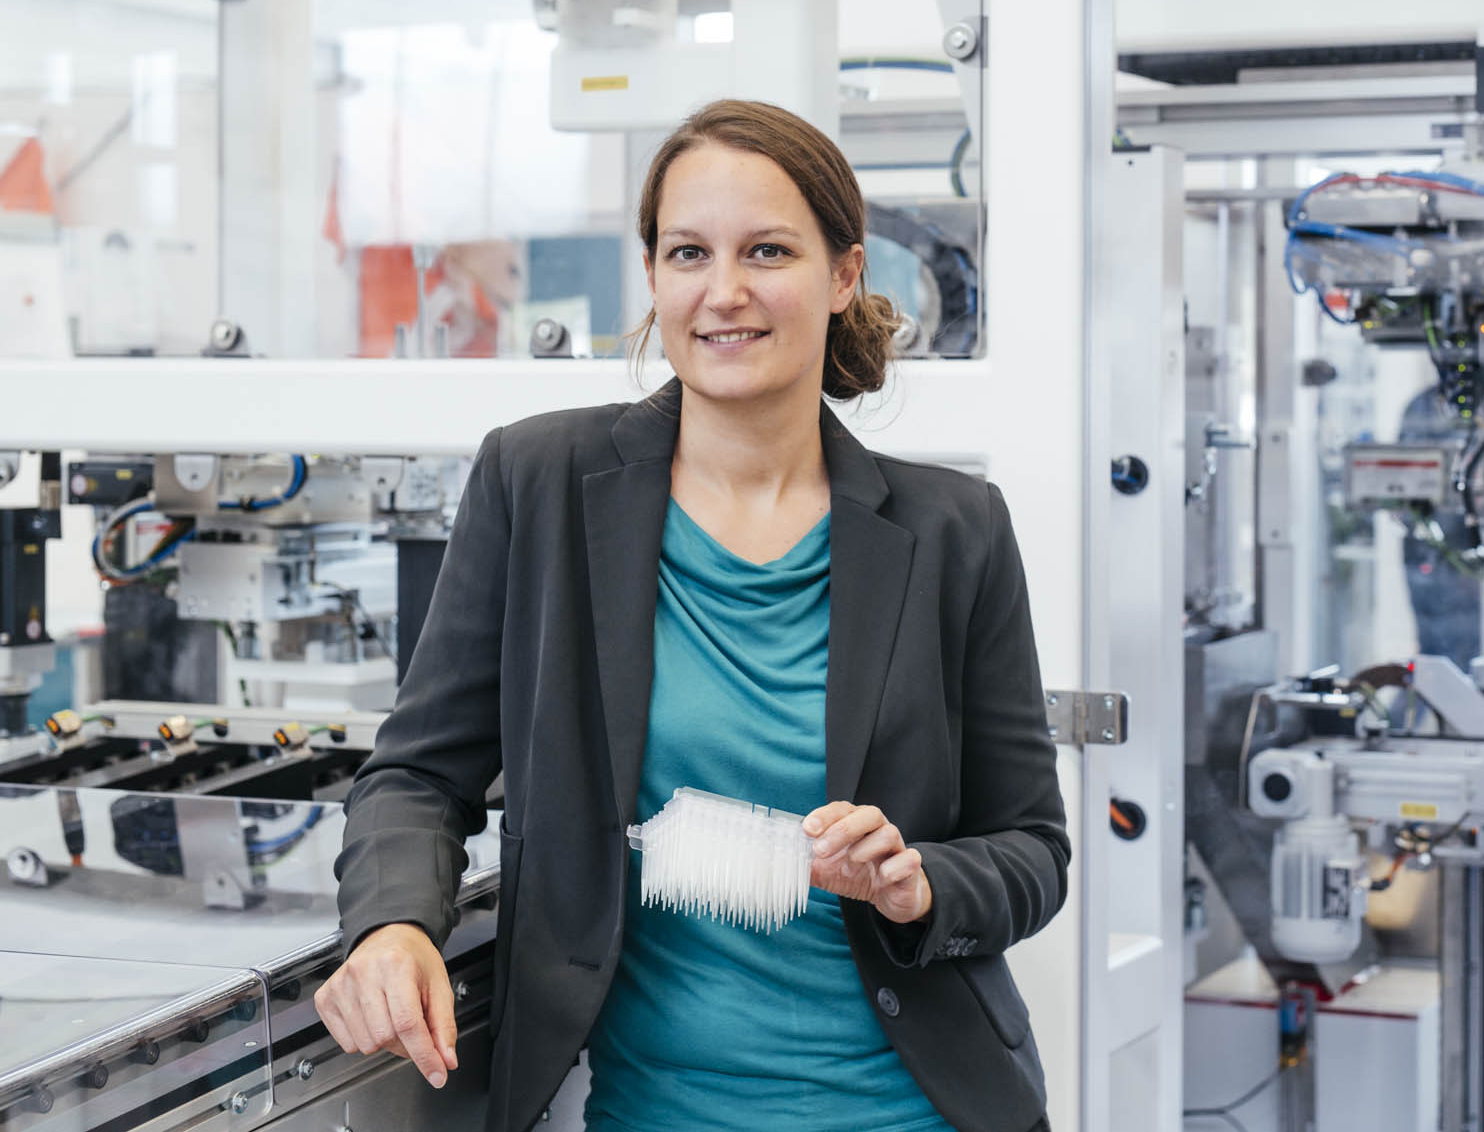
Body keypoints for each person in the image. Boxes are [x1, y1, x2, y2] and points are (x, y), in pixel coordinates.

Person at [318, 99, 1070, 1132]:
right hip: (657, 1111)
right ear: (652, 274)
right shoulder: (539, 481)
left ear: (844, 274)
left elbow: (1032, 849)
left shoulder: (954, 529)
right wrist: (393, 924)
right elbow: (417, 774)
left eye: (767, 250)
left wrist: (918, 882)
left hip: (917, 1109)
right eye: (687, 253)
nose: (724, 292)